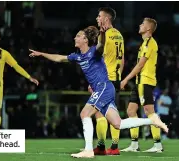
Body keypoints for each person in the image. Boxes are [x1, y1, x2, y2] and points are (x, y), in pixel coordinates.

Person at [29, 25, 168, 158]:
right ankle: (151, 120)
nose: (74, 38)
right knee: (118, 124)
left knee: (85, 113)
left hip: (103, 87)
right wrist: (41, 54)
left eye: (78, 36)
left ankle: (88, 150)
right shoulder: (77, 56)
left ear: (85, 40)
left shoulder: (94, 51)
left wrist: (101, 33)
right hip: (105, 89)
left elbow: (101, 45)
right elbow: (59, 57)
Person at [120, 18, 163, 153]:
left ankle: (157, 145)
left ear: (148, 29)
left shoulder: (150, 43)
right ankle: (134, 145)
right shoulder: (145, 43)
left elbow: (140, 65)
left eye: (143, 24)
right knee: (131, 111)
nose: (140, 25)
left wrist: (125, 79)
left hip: (145, 81)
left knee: (149, 112)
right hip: (140, 82)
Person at [90, 7, 124, 155]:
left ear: (106, 18)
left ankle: (102, 146)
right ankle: (114, 147)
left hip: (105, 79)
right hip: (116, 78)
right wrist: (119, 77)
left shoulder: (104, 36)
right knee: (113, 111)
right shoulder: (119, 35)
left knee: (99, 113)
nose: (97, 19)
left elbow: (97, 59)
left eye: (99, 16)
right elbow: (122, 60)